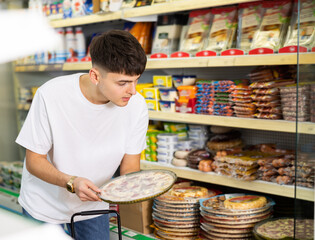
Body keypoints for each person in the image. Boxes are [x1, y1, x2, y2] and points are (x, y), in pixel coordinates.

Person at [15, 29, 149, 240]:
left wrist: (142, 188)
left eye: (136, 80)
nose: (132, 91)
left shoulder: (137, 105)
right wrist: (72, 182)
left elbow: (130, 167)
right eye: (122, 83)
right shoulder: (51, 95)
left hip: (94, 206)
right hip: (44, 206)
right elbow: (34, 161)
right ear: (95, 76)